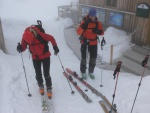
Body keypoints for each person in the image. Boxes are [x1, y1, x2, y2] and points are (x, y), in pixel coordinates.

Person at [17, 22, 59, 99]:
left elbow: (51, 38)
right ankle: (41, 86)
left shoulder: (40, 35)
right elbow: (23, 47)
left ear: (33, 35)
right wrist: (20, 48)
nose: (31, 43)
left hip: (45, 56)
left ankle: (49, 88)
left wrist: (55, 47)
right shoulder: (25, 37)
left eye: (31, 41)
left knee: (46, 73)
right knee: (38, 73)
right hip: (35, 57)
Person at [77, 8, 104, 80]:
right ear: (89, 15)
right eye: (91, 16)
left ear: (95, 15)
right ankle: (83, 72)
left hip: (94, 43)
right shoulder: (84, 21)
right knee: (84, 58)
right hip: (85, 42)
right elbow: (78, 32)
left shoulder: (98, 23)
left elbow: (102, 32)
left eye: (93, 16)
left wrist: (97, 31)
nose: (92, 17)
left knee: (93, 58)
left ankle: (91, 72)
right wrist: (84, 25)